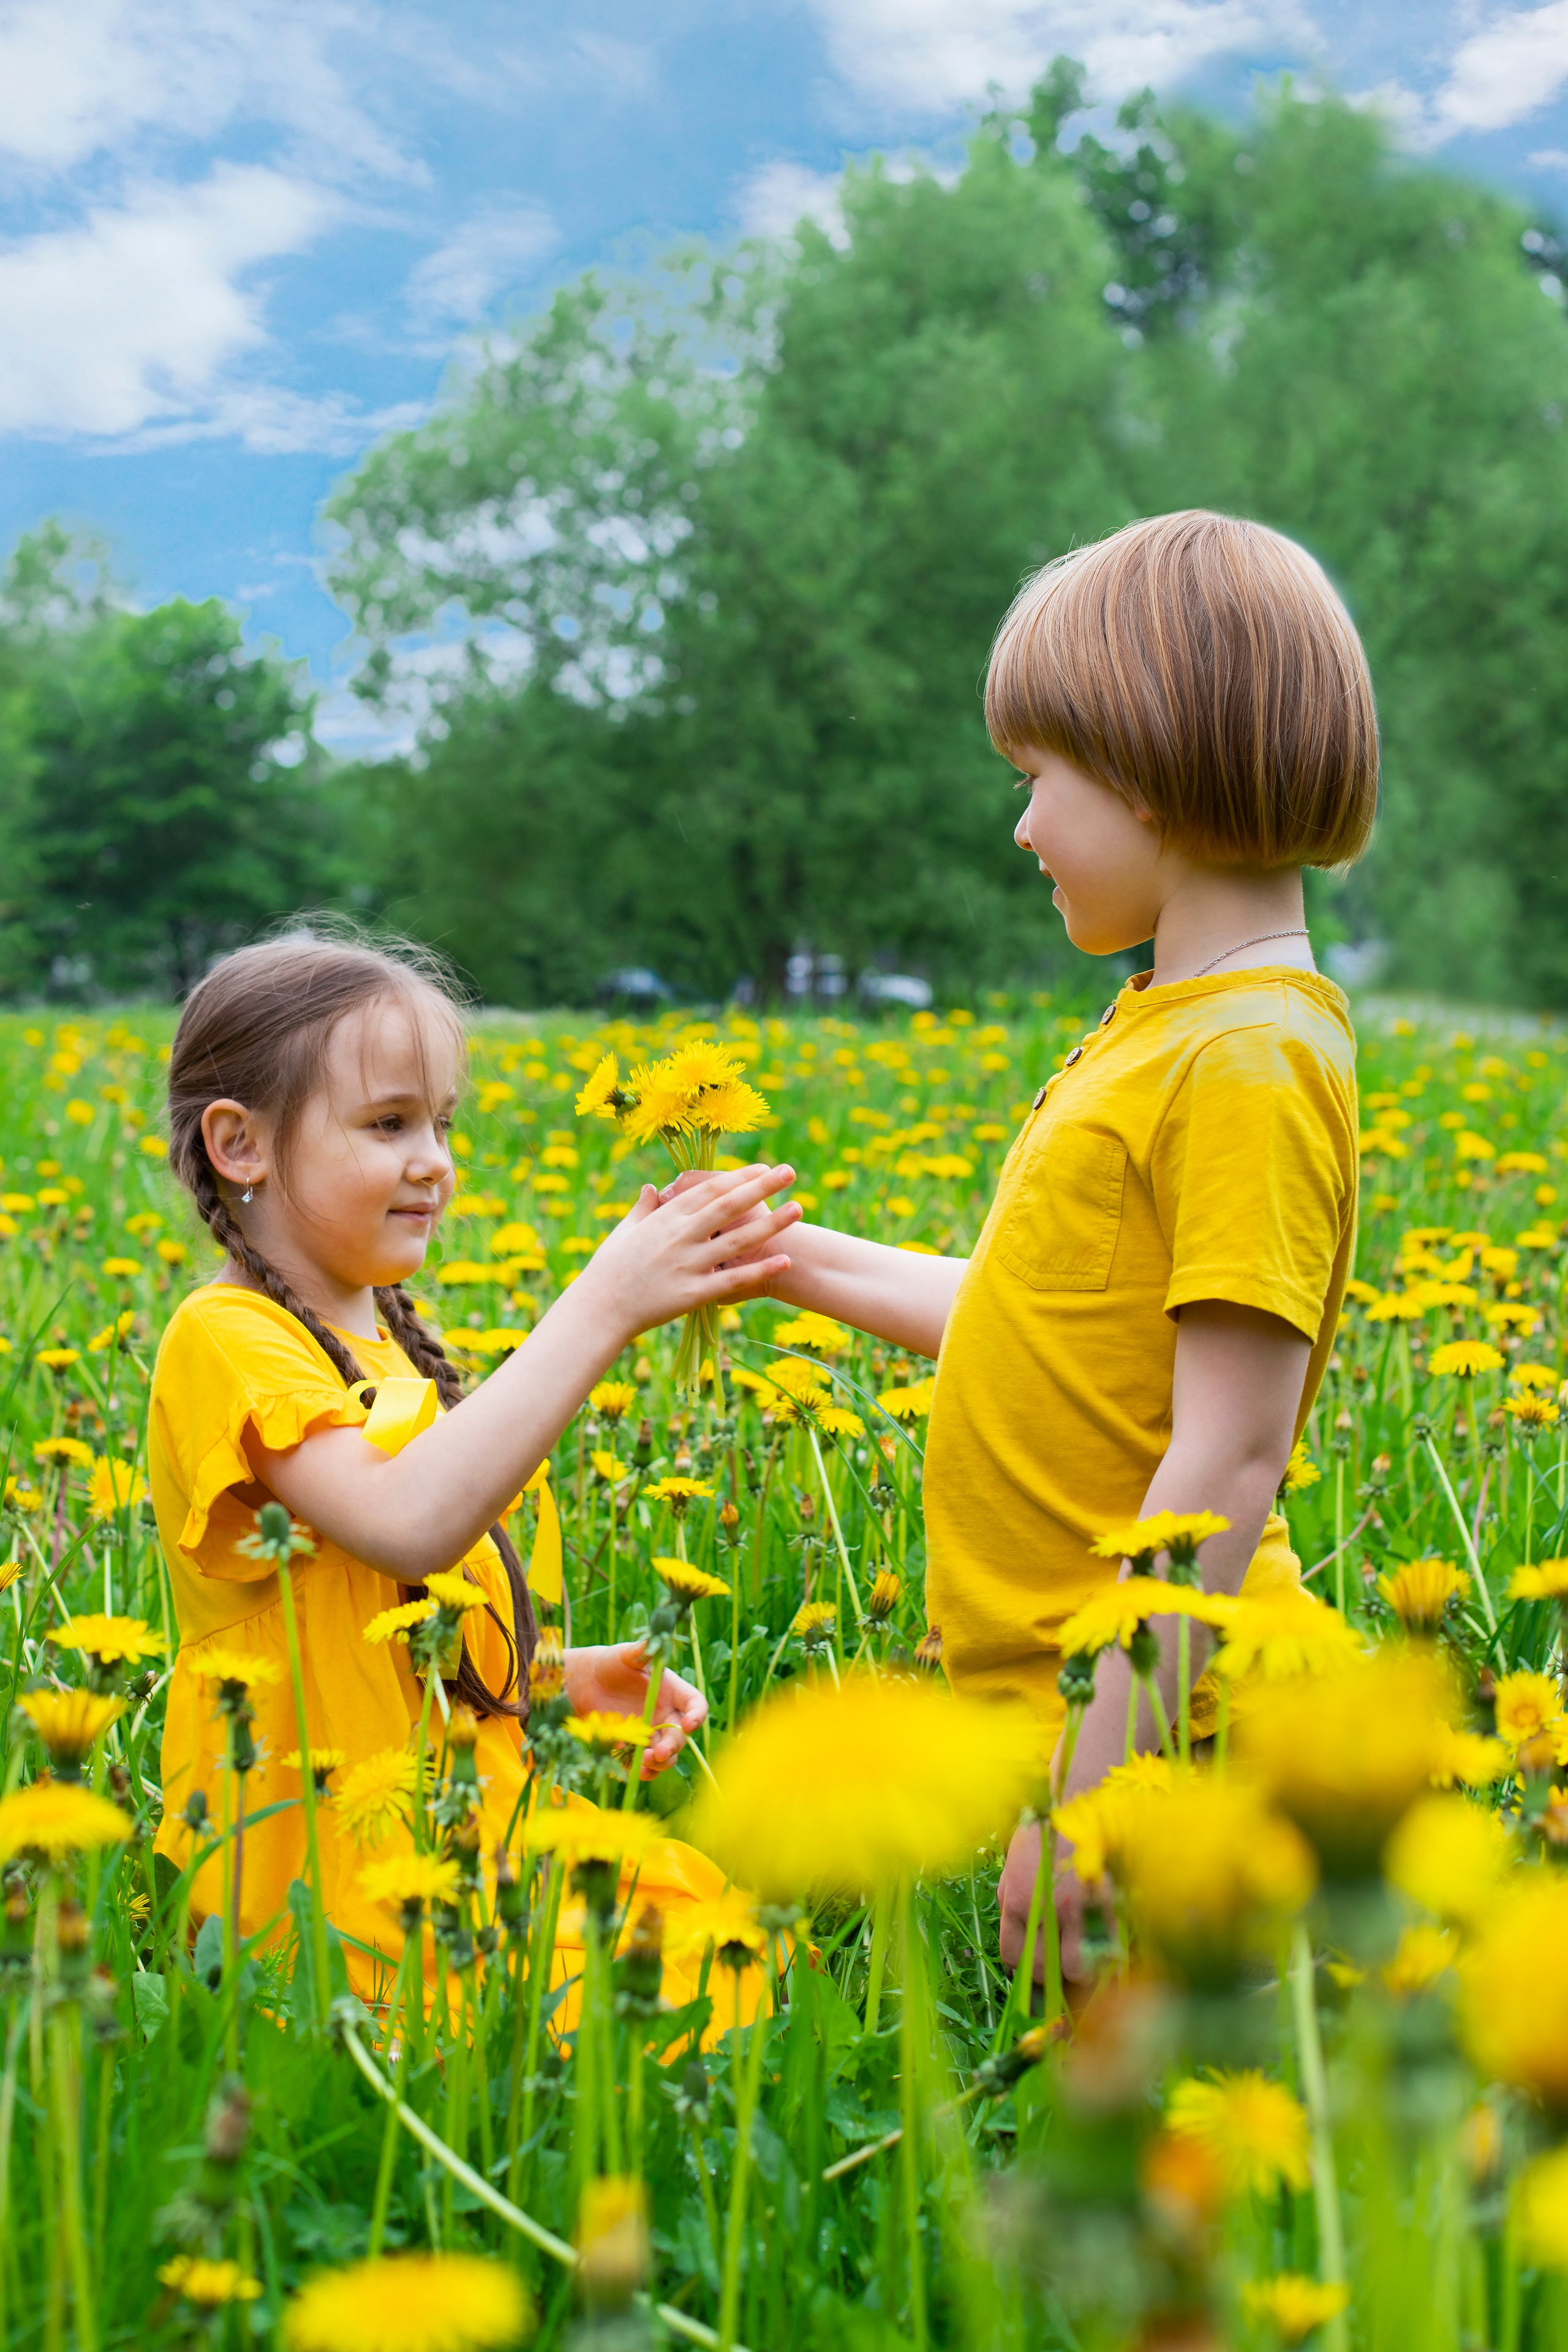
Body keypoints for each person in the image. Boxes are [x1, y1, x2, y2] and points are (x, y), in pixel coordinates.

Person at [710, 510, 1374, 1979]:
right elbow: (1044, 1323)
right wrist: (789, 1259)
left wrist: (1094, 1793)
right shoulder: (1165, 1033)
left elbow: (1225, 1459)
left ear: (1146, 772)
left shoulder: (1247, 1061)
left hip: (1179, 1748)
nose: (1018, 830)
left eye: (1035, 782)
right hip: (1087, 1711)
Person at [149, 930, 799, 2011]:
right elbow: (408, 1527)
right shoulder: (226, 1340)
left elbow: (375, 1642)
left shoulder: (388, 1345)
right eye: (389, 1123)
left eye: (441, 1124)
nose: (435, 1160)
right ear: (240, 1145)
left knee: (733, 1958)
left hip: (465, 1819)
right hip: (331, 1866)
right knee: (655, 2013)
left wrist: (550, 1677)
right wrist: (604, 1305)